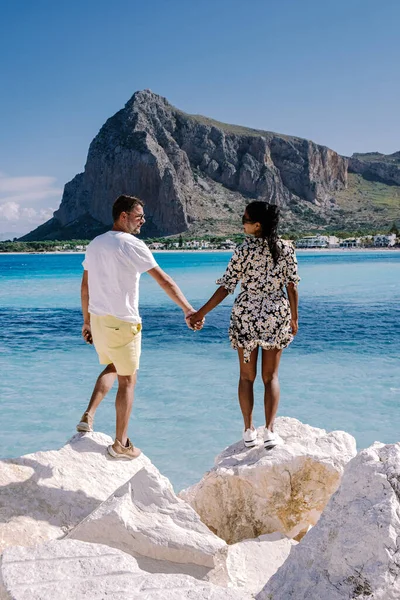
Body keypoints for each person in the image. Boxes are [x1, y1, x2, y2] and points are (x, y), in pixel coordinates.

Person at [77, 194, 202, 459]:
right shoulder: (132, 244)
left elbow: (85, 285)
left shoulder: (95, 243)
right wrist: (188, 309)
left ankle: (89, 414)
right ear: (123, 216)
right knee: (128, 380)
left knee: (112, 365)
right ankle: (120, 445)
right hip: (123, 323)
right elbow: (164, 280)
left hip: (99, 321)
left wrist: (86, 321)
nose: (142, 221)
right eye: (138, 216)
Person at [189, 201, 300, 450]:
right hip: (275, 314)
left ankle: (249, 430)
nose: (243, 222)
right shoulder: (286, 249)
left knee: (246, 377)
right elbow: (292, 286)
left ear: (257, 225)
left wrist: (200, 313)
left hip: (246, 315)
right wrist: (294, 317)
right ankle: (270, 431)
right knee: (270, 376)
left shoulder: (243, 251)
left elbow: (227, 287)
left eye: (246, 219)